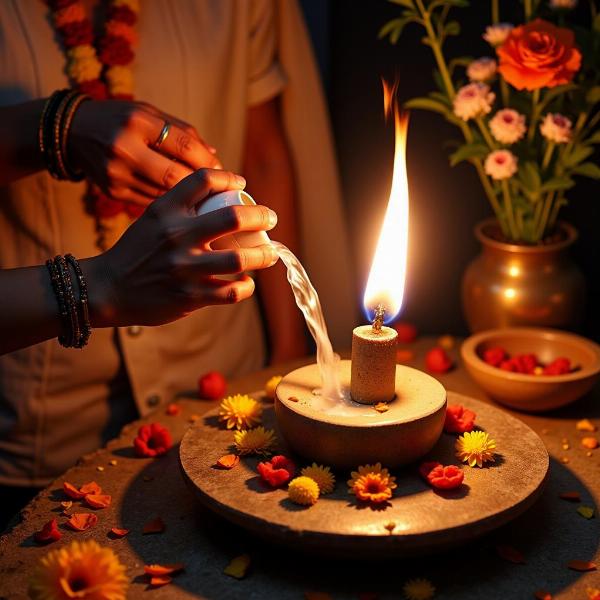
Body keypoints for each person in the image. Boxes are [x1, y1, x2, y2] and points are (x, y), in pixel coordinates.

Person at [0, 0, 355, 524]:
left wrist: (284, 354)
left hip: (220, 388)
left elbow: (264, 151)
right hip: (41, 423)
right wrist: (56, 127)